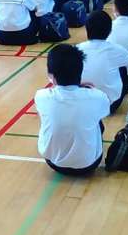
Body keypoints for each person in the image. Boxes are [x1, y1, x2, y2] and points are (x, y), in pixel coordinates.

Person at [35, 44, 110, 176]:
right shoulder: (98, 96)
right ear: (80, 71)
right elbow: (105, 111)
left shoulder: (41, 96)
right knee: (95, 119)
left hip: (53, 162)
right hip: (88, 165)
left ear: (52, 75)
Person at [77, 11, 128, 115]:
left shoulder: (77, 48)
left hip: (82, 104)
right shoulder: (115, 49)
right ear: (110, 31)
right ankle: (125, 88)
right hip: (110, 105)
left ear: (86, 29)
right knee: (122, 65)